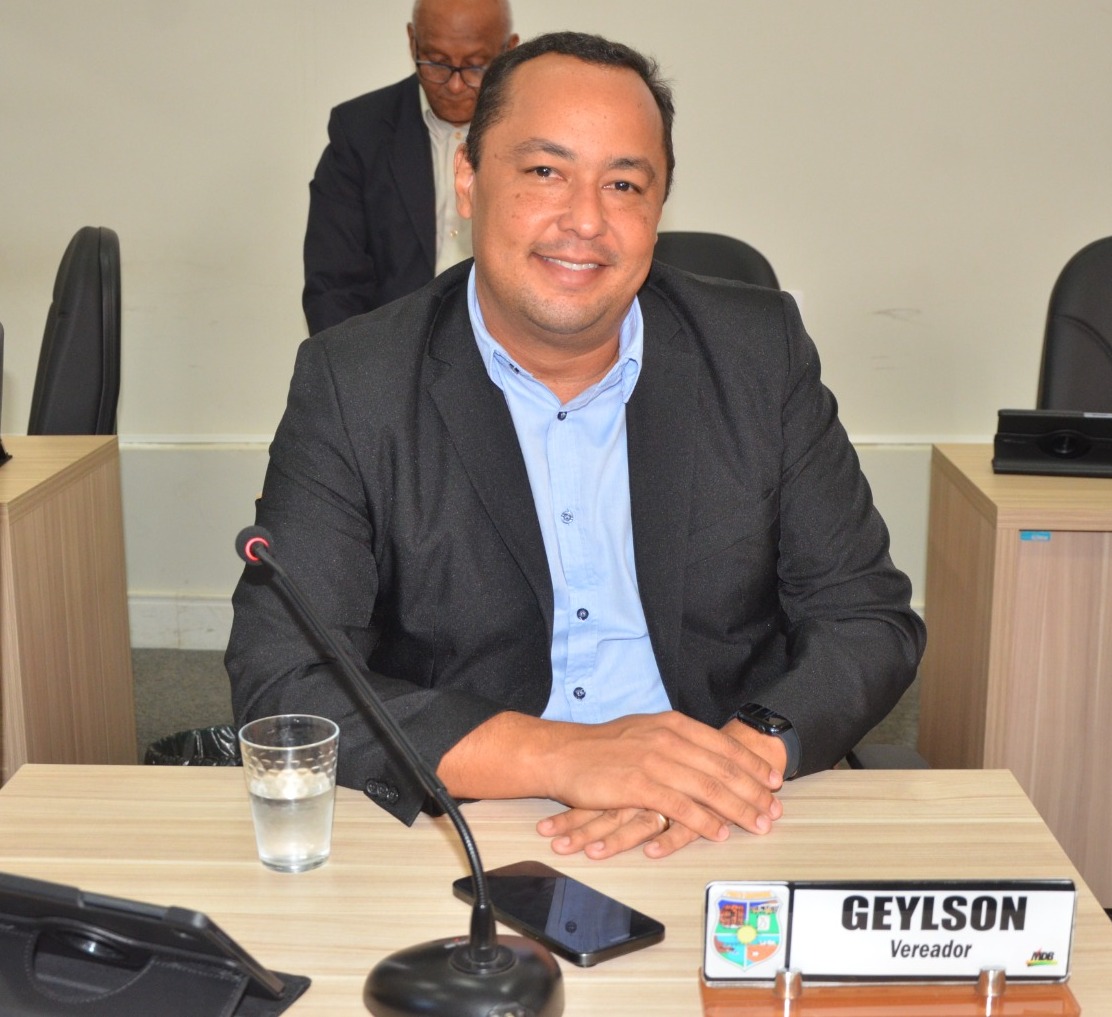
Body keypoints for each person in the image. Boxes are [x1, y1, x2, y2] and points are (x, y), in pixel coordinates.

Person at [230, 32, 926, 861]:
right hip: (479, 823)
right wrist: (564, 754)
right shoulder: (356, 381)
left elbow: (866, 617)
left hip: (729, 813)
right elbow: (285, 677)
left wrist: (723, 762)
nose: (586, 220)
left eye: (624, 184)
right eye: (544, 172)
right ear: (467, 178)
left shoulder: (756, 351)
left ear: (659, 209)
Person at [302, 0, 518, 334]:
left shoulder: (537, 132)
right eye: (437, 63)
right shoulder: (359, 132)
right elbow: (333, 286)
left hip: (511, 348)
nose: (455, 86)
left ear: (509, 51)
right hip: (390, 347)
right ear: (412, 41)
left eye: (476, 66)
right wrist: (357, 364)